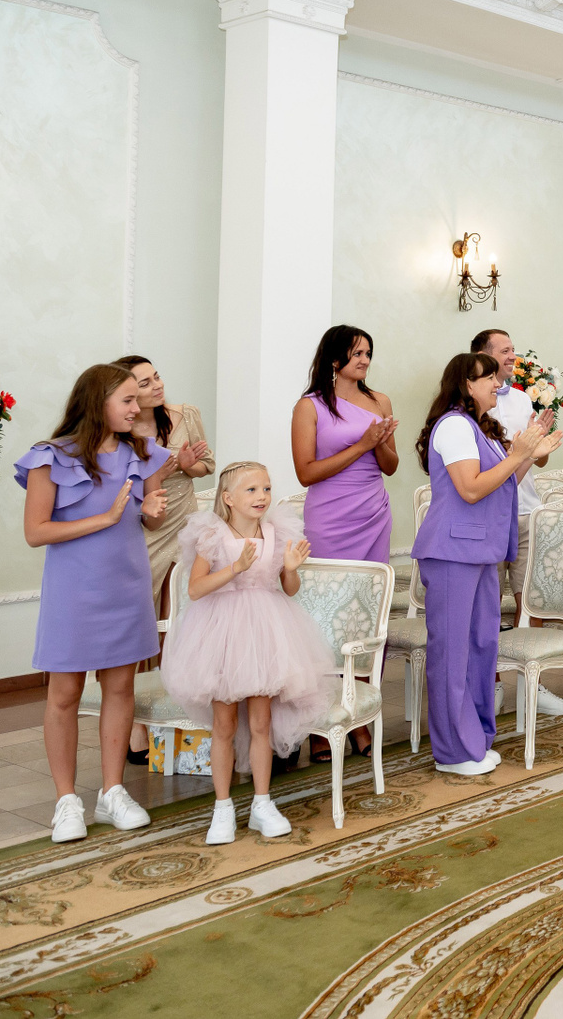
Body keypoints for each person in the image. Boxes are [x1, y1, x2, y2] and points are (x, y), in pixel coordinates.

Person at [16, 363, 171, 842]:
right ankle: (66, 801)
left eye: (136, 399)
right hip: (73, 592)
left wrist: (150, 512)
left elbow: (147, 520)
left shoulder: (144, 454)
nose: (137, 407)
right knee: (64, 694)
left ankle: (112, 792)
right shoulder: (49, 457)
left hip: (126, 587)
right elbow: (36, 532)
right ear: (97, 402)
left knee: (120, 689)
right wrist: (104, 519)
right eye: (127, 399)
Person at [161, 461, 332, 841]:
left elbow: (288, 589)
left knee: (260, 724)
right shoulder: (212, 534)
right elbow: (195, 589)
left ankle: (261, 803)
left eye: (266, 489)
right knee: (223, 726)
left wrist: (290, 568)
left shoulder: (276, 531)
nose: (262, 496)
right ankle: (222, 807)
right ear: (228, 498)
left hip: (267, 632)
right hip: (222, 634)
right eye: (252, 490)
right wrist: (234, 568)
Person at [411, 352, 548, 774]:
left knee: (480, 648)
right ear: (466, 385)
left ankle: (474, 739)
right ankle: (452, 752)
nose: (496, 383)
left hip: (482, 551)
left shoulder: (481, 428)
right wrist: (517, 454)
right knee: (452, 653)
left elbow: (501, 484)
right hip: (453, 552)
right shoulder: (453, 425)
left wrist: (528, 454)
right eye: (488, 377)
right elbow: (470, 489)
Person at [292, 325, 395, 759]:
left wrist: (381, 443)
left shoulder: (380, 401)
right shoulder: (310, 406)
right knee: (326, 617)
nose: (365, 360)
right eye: (357, 353)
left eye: (368, 352)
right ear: (335, 359)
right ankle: (321, 723)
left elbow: (390, 465)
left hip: (373, 513)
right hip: (329, 518)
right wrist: (362, 444)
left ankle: (360, 716)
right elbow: (306, 472)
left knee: (366, 614)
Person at [113, 354, 213, 766]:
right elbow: (118, 483)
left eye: (157, 377)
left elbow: (208, 465)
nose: (157, 385)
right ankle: (136, 722)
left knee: (180, 621)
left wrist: (188, 467)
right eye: (145, 382)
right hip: (144, 528)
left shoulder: (185, 414)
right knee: (142, 625)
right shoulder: (119, 426)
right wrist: (160, 472)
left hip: (186, 524)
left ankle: (176, 717)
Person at [470, 328, 563, 717]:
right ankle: (492, 683)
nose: (513, 356)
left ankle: (533, 684)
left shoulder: (520, 398)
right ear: (483, 356)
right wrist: (521, 450)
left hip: (526, 509)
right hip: (488, 513)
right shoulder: (472, 403)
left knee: (528, 599)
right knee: (488, 604)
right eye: (505, 350)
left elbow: (539, 458)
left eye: (513, 350)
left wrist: (538, 440)